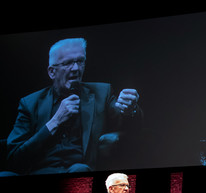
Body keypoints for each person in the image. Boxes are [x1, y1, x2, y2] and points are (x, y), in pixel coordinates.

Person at [2, 38, 141, 175]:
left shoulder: (102, 93)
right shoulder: (30, 103)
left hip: (80, 172)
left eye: (80, 61)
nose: (76, 68)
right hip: (40, 172)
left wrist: (130, 109)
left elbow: (127, 124)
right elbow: (14, 158)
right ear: (52, 72)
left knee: (78, 169)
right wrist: (55, 121)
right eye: (68, 63)